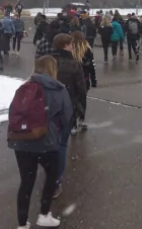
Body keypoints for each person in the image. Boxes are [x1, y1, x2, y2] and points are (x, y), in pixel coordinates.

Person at [9, 55, 71, 229]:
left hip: (22, 141)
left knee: (26, 182)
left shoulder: (24, 87)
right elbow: (66, 116)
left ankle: (22, 223)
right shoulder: (58, 89)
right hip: (47, 141)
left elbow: (12, 112)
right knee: (51, 177)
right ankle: (44, 214)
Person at [49, 34, 85, 199]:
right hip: (66, 108)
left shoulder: (47, 62)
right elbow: (81, 89)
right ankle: (55, 181)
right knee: (62, 145)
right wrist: (81, 108)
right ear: (64, 46)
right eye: (70, 44)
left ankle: (49, 174)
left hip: (47, 108)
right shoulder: (73, 64)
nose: (72, 47)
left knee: (49, 143)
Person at [71, 31, 96, 129]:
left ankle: (73, 124)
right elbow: (92, 66)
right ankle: (82, 119)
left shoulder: (70, 49)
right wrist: (94, 80)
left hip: (72, 80)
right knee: (82, 99)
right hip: (84, 79)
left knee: (73, 101)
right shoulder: (87, 49)